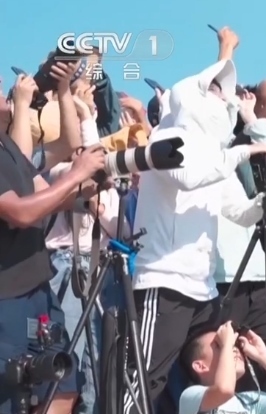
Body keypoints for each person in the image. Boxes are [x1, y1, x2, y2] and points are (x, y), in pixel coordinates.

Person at [123, 27, 266, 413]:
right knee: (145, 380)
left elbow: (241, 213)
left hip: (204, 291)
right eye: (216, 95)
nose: (224, 103)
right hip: (164, 282)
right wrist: (241, 153)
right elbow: (189, 176)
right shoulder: (164, 140)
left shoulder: (217, 156)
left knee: (216, 375)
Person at [0, 123, 106, 414]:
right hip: (7, 299)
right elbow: (21, 212)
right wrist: (76, 174)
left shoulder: (6, 144)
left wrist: (90, 186)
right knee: (12, 394)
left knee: (62, 382)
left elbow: (45, 197)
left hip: (39, 292)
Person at [44, 79, 127, 414]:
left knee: (99, 367)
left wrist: (101, 206)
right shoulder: (59, 171)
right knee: (71, 363)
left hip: (100, 267)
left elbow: (118, 225)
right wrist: (82, 113)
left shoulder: (95, 174)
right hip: (67, 268)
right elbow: (90, 170)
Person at [214, 89, 266, 392]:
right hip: (219, 280)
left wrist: (251, 118)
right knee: (226, 371)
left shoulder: (236, 157)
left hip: (258, 277)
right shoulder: (204, 155)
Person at [177, 321, 266, 414]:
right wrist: (227, 344)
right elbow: (224, 390)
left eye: (234, 344)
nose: (234, 348)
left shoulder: (247, 401)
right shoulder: (190, 396)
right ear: (200, 366)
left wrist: (264, 356)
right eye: (219, 345)